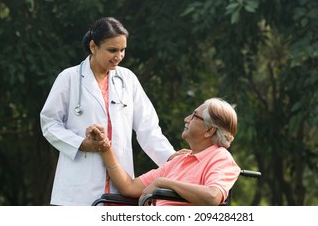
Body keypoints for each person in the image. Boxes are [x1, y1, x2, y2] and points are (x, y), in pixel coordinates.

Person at [40, 16, 180, 206]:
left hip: (120, 184)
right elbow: (49, 123)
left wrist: (171, 158)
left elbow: (148, 128)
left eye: (123, 50)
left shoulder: (127, 79)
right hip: (78, 187)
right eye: (112, 50)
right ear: (93, 46)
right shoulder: (69, 78)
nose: (119, 56)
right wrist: (81, 144)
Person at [88, 98, 241, 206]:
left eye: (194, 116)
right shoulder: (180, 160)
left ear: (209, 130)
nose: (186, 119)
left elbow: (213, 197)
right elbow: (129, 187)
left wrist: (164, 182)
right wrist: (105, 147)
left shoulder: (220, 158)